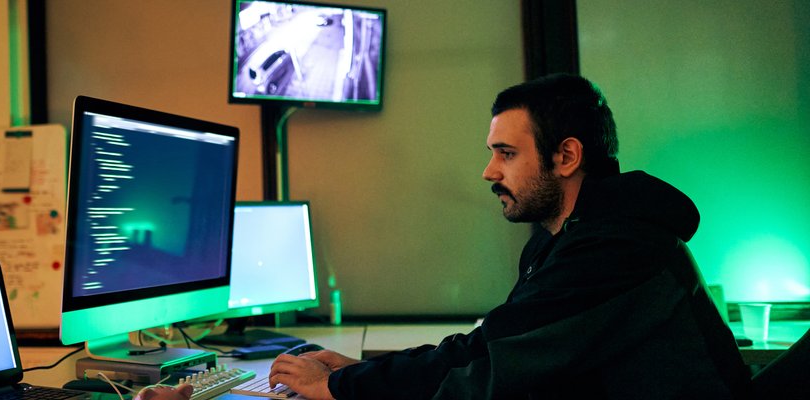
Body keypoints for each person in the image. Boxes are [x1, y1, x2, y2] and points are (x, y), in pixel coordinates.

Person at [267, 74, 750, 399]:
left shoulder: (617, 248)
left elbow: (492, 373)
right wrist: (360, 372)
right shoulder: (564, 235)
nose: (488, 171)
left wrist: (342, 387)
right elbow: (491, 346)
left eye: (506, 154)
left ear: (566, 156)